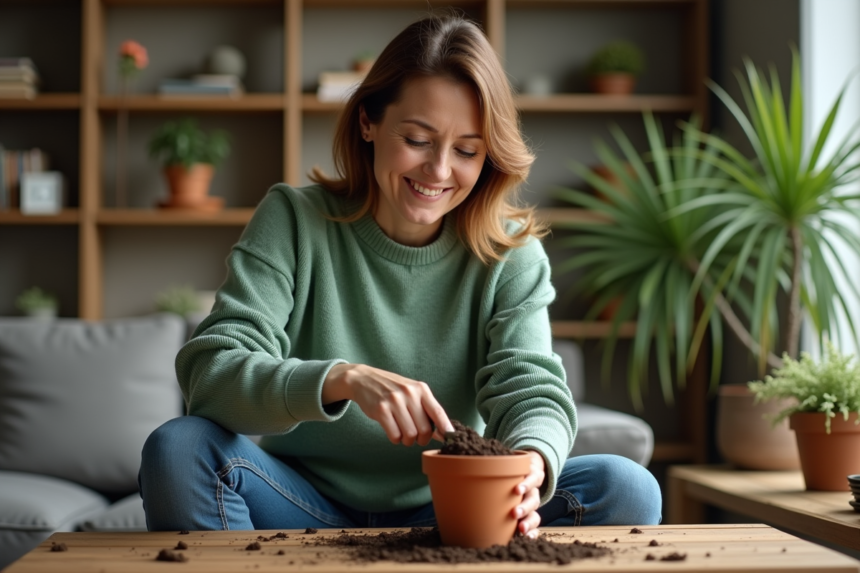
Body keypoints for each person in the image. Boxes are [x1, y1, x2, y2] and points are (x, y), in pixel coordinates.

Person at [139, 11, 661, 536]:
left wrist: (528, 468)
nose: (438, 171)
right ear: (368, 121)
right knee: (178, 448)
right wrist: (340, 379)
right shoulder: (294, 220)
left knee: (628, 487)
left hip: (453, 505)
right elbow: (211, 376)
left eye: (466, 150)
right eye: (417, 139)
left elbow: (531, 387)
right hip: (302, 506)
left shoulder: (509, 250)